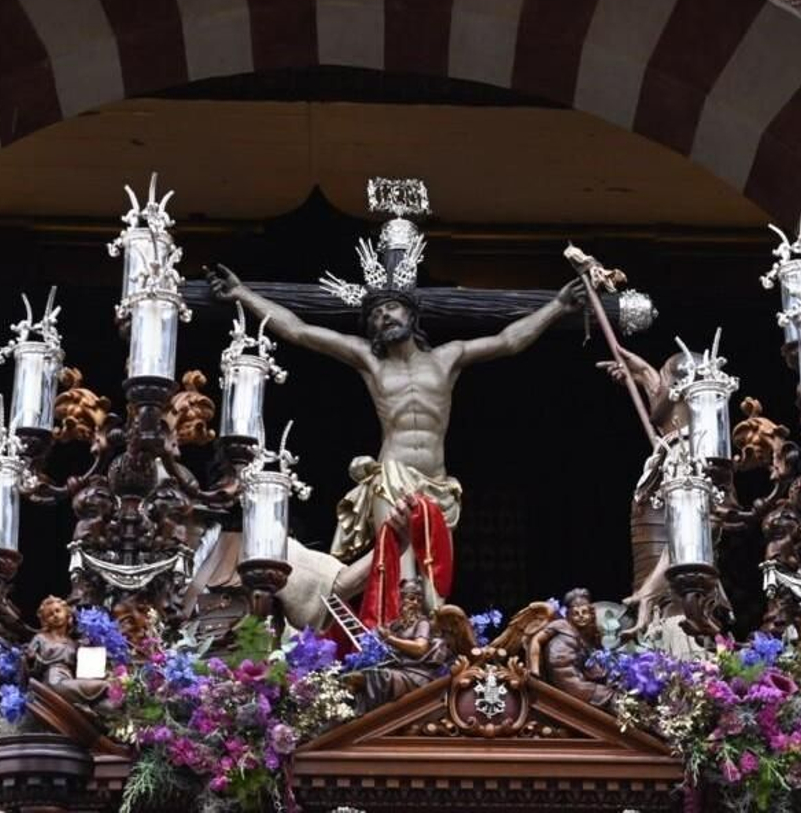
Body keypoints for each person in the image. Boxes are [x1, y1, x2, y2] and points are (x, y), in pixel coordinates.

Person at [212, 265, 580, 625]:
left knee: (434, 578)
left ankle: (431, 639)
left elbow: (508, 341)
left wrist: (558, 306)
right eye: (374, 314)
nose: (383, 317)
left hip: (438, 482)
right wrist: (243, 293)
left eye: (391, 308)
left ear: (411, 314)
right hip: (391, 475)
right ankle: (396, 642)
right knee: (398, 567)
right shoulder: (371, 362)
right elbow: (300, 330)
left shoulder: (447, 358)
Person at [350, 578, 457, 713]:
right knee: (353, 678)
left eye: (419, 600)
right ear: (401, 600)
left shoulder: (422, 623)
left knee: (360, 679)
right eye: (411, 599)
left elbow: (420, 648)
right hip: (395, 669)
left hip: (413, 675)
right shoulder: (395, 625)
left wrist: (390, 639)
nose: (416, 604)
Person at [539, 588, 617, 711]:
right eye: (576, 613)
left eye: (584, 612)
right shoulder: (564, 632)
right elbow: (567, 679)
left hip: (581, 684)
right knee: (616, 699)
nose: (581, 617)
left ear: (591, 614)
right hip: (572, 687)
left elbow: (592, 669)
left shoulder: (586, 637)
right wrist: (535, 674)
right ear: (569, 615)